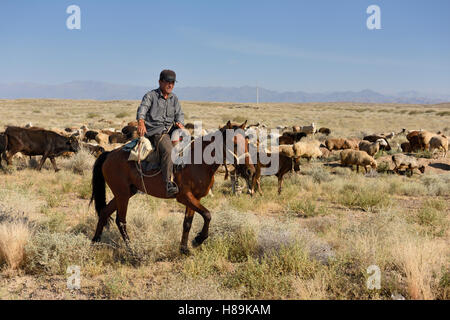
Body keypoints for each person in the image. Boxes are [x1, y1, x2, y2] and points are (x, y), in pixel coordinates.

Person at [136, 69, 185, 197]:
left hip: (171, 130)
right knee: (169, 150)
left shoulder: (174, 98)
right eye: (167, 82)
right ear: (160, 82)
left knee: (190, 144)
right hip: (156, 132)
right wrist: (141, 121)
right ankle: (168, 183)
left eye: (173, 82)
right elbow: (142, 109)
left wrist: (180, 123)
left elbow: (179, 114)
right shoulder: (150, 96)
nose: (170, 85)